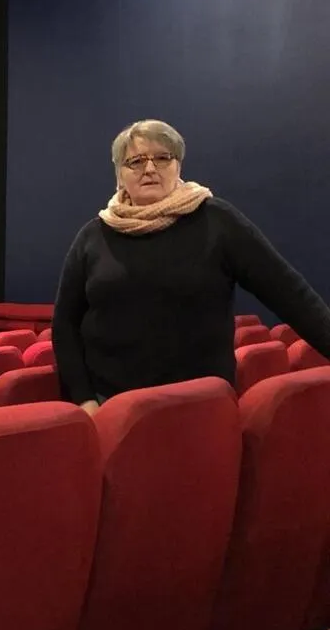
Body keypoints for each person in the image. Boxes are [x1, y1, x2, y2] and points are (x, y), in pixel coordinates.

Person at [53, 118, 330, 415]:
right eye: (136, 161)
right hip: (113, 408)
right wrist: (84, 399)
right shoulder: (93, 236)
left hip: (201, 408)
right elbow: (65, 324)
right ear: (120, 174)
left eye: (162, 158)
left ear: (178, 166)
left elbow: (290, 294)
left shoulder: (218, 221)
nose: (150, 168)